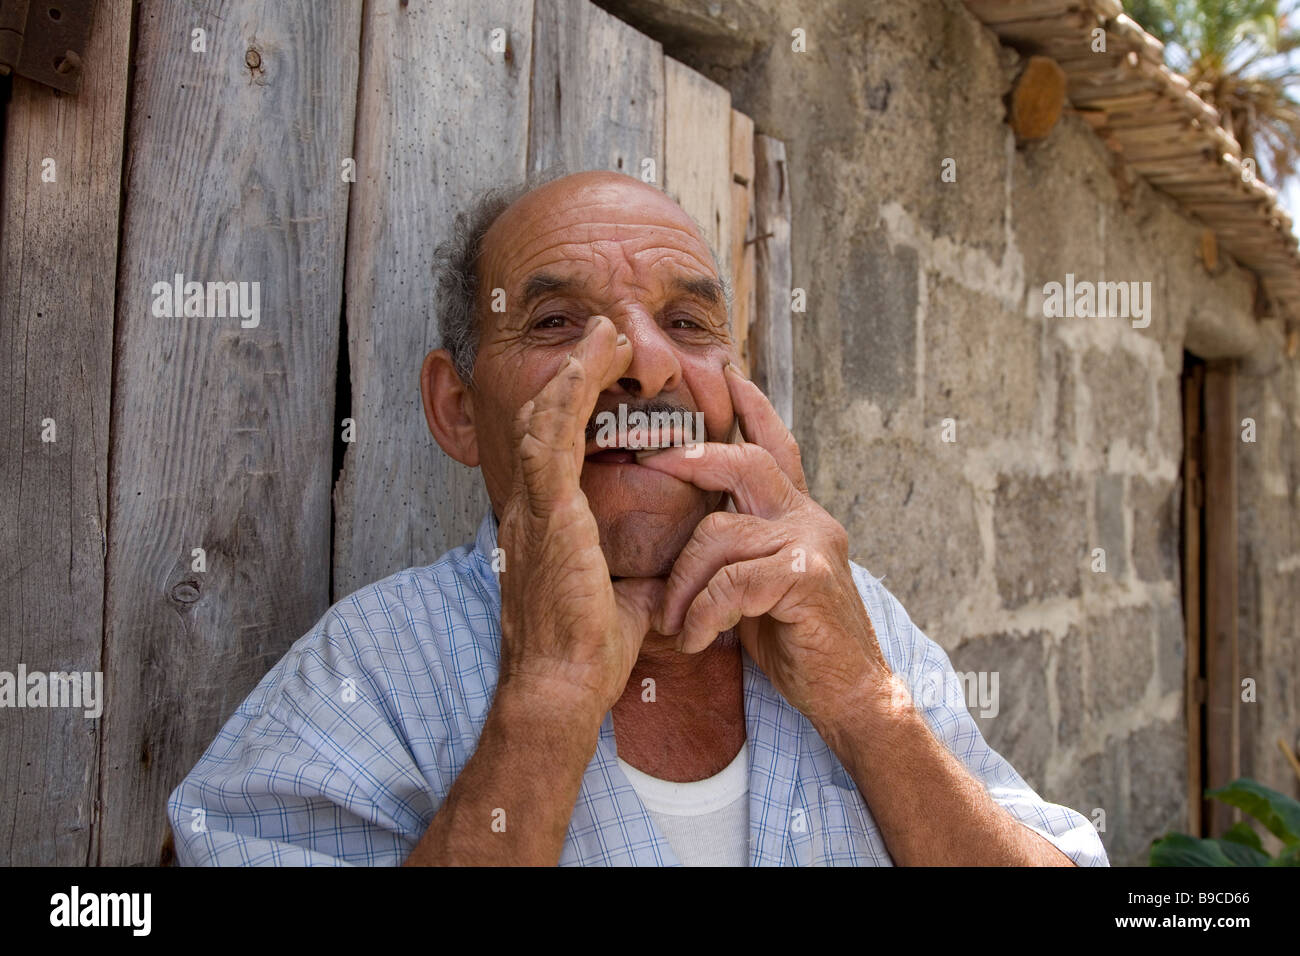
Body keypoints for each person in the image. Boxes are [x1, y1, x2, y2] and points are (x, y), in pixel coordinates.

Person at [167, 170, 1107, 866]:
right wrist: (549, 696)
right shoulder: (370, 672)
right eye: (555, 323)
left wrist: (868, 703)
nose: (644, 365)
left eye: (690, 325)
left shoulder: (858, 625)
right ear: (458, 409)